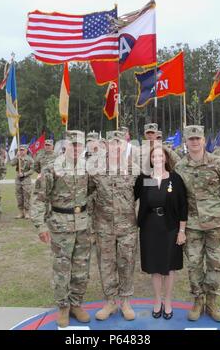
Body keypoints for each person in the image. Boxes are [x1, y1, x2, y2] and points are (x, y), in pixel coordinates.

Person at [175, 126, 220, 322]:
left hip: (216, 224)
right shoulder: (180, 167)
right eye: (190, 139)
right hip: (192, 225)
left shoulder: (218, 163)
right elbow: (177, 199)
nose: (194, 142)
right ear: (185, 142)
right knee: (194, 265)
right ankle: (198, 300)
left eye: (197, 138)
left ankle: (211, 301)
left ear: (204, 140)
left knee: (215, 264)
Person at [31, 131, 91, 328]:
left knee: (81, 268)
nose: (76, 148)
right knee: (62, 268)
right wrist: (40, 225)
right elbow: (39, 198)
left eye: (79, 145)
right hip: (60, 225)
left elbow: (94, 193)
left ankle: (76, 304)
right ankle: (63, 307)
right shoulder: (51, 169)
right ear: (65, 145)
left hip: (83, 224)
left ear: (84, 147)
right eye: (72, 144)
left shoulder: (88, 168)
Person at [88, 130, 138, 321]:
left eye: (120, 143)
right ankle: (110, 301)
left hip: (127, 228)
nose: (116, 146)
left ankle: (125, 301)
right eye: (112, 143)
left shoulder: (134, 169)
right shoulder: (96, 171)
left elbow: (142, 194)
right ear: (107, 146)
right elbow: (86, 194)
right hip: (104, 228)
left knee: (127, 263)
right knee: (106, 265)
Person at [134, 146, 187, 320]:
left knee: (169, 266)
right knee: (155, 267)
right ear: (150, 159)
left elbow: (183, 207)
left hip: (170, 227)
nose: (157, 159)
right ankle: (157, 300)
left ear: (165, 158)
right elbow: (130, 196)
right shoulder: (144, 179)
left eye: (160, 155)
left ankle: (168, 300)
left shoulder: (175, 179)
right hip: (149, 228)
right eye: (154, 156)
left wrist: (181, 231)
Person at [10, 144, 34, 219]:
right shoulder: (18, 158)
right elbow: (11, 164)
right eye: (20, 150)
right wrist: (16, 157)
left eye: (23, 150)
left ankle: (27, 212)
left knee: (27, 196)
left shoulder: (30, 159)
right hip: (18, 180)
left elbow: (32, 170)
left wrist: (24, 174)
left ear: (26, 150)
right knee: (19, 196)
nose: (21, 151)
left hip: (26, 180)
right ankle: (21, 212)